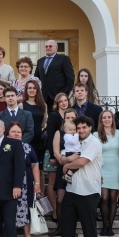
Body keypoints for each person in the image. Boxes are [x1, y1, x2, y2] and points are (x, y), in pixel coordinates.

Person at [51, 115, 102, 237]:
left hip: (88, 191)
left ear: (90, 128)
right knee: (67, 226)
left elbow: (82, 162)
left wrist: (66, 166)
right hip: (72, 189)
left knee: (89, 227)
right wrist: (65, 162)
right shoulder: (74, 142)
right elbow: (61, 158)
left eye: (83, 127)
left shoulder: (94, 142)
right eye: (78, 128)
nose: (80, 130)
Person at [6, 122, 41, 237]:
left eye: (18, 132)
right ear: (7, 134)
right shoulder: (4, 147)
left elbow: (35, 165)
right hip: (7, 184)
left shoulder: (27, 147)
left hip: (26, 184)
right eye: (13, 132)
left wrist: (37, 183)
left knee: (26, 210)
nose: (16, 134)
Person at [48, 108, 78, 237]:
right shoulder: (59, 133)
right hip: (62, 167)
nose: (70, 120)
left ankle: (71, 229)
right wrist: (64, 160)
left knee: (74, 201)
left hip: (77, 169)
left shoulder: (79, 132)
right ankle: (60, 227)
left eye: (73, 118)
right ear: (64, 119)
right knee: (60, 200)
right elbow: (55, 151)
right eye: (68, 118)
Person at [94, 110, 119, 236]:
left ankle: (110, 227)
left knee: (113, 198)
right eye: (104, 117)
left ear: (112, 119)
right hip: (102, 168)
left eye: (109, 117)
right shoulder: (96, 135)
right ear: (101, 120)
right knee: (104, 198)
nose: (106, 119)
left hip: (115, 167)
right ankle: (104, 226)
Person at [45, 93, 71, 222]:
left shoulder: (71, 114)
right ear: (57, 103)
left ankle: (64, 210)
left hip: (67, 154)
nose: (64, 103)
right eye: (61, 101)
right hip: (53, 153)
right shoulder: (54, 115)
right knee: (52, 181)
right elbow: (50, 135)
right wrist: (52, 155)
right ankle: (54, 211)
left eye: (65, 100)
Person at [34, 39, 75, 111]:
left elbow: (70, 77)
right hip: (44, 96)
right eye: (46, 46)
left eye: (50, 46)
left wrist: (64, 94)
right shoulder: (40, 61)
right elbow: (36, 78)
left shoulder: (63, 59)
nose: (48, 48)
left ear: (56, 48)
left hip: (58, 96)